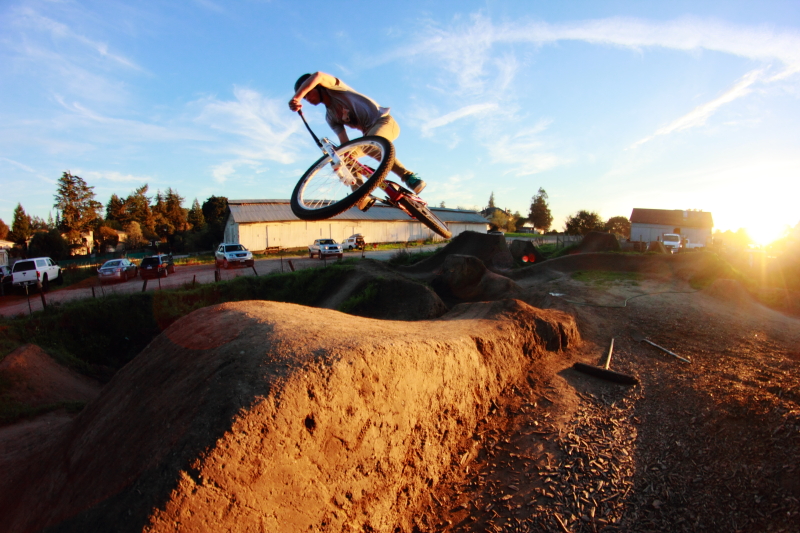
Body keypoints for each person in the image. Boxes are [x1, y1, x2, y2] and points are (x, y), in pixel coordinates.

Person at [288, 72, 426, 194]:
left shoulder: (336, 89)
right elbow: (345, 143)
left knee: (369, 145)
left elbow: (318, 76)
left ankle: (409, 177)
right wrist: (340, 158)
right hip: (368, 136)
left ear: (318, 87)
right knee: (346, 155)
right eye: (304, 98)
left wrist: (297, 98)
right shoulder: (330, 117)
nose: (307, 99)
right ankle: (359, 192)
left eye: (307, 93)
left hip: (384, 122)